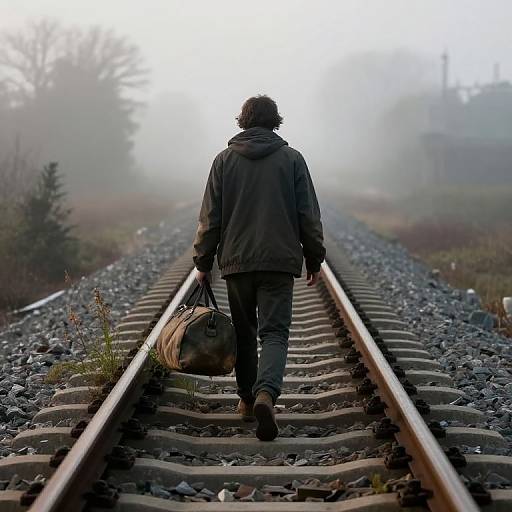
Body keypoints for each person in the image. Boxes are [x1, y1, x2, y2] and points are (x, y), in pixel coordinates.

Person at [193, 95, 326, 441]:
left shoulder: (223, 162)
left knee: (243, 331)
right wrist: (314, 259)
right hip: (280, 263)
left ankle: (248, 400)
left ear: (243, 121)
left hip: (237, 262)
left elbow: (210, 219)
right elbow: (308, 217)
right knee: (275, 333)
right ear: (275, 122)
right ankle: (267, 393)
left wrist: (202, 262)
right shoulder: (293, 160)